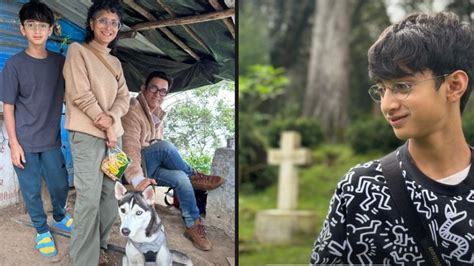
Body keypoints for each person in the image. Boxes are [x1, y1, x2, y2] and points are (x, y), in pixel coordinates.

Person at [310, 12, 473, 265]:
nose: (387, 105)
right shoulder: (361, 189)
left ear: (454, 85)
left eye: (402, 86)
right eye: (383, 89)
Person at [121, 71, 225, 251]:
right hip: (136, 169)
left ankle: (192, 224)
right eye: (153, 88)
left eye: (163, 91)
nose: (158, 94)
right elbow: (129, 150)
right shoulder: (133, 110)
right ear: (143, 88)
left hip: (151, 168)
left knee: (179, 177)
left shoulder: (158, 116)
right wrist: (136, 179)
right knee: (165, 147)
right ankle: (194, 175)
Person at [0, 1, 73, 257]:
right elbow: (8, 107)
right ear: (22, 29)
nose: (37, 30)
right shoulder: (14, 65)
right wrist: (14, 144)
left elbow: (73, 95)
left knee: (60, 184)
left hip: (52, 140)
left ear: (51, 29)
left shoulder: (60, 63)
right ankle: (42, 230)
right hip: (25, 141)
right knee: (30, 190)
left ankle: (60, 216)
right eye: (31, 25)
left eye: (43, 25)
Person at [62, 0, 129, 264]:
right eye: (103, 20)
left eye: (114, 22)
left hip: (116, 139)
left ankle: (99, 246)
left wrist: (111, 120)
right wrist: (103, 122)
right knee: (88, 200)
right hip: (88, 135)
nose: (109, 26)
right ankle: (83, 260)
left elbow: (124, 98)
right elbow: (80, 93)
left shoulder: (117, 63)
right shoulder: (77, 50)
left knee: (110, 197)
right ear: (91, 24)